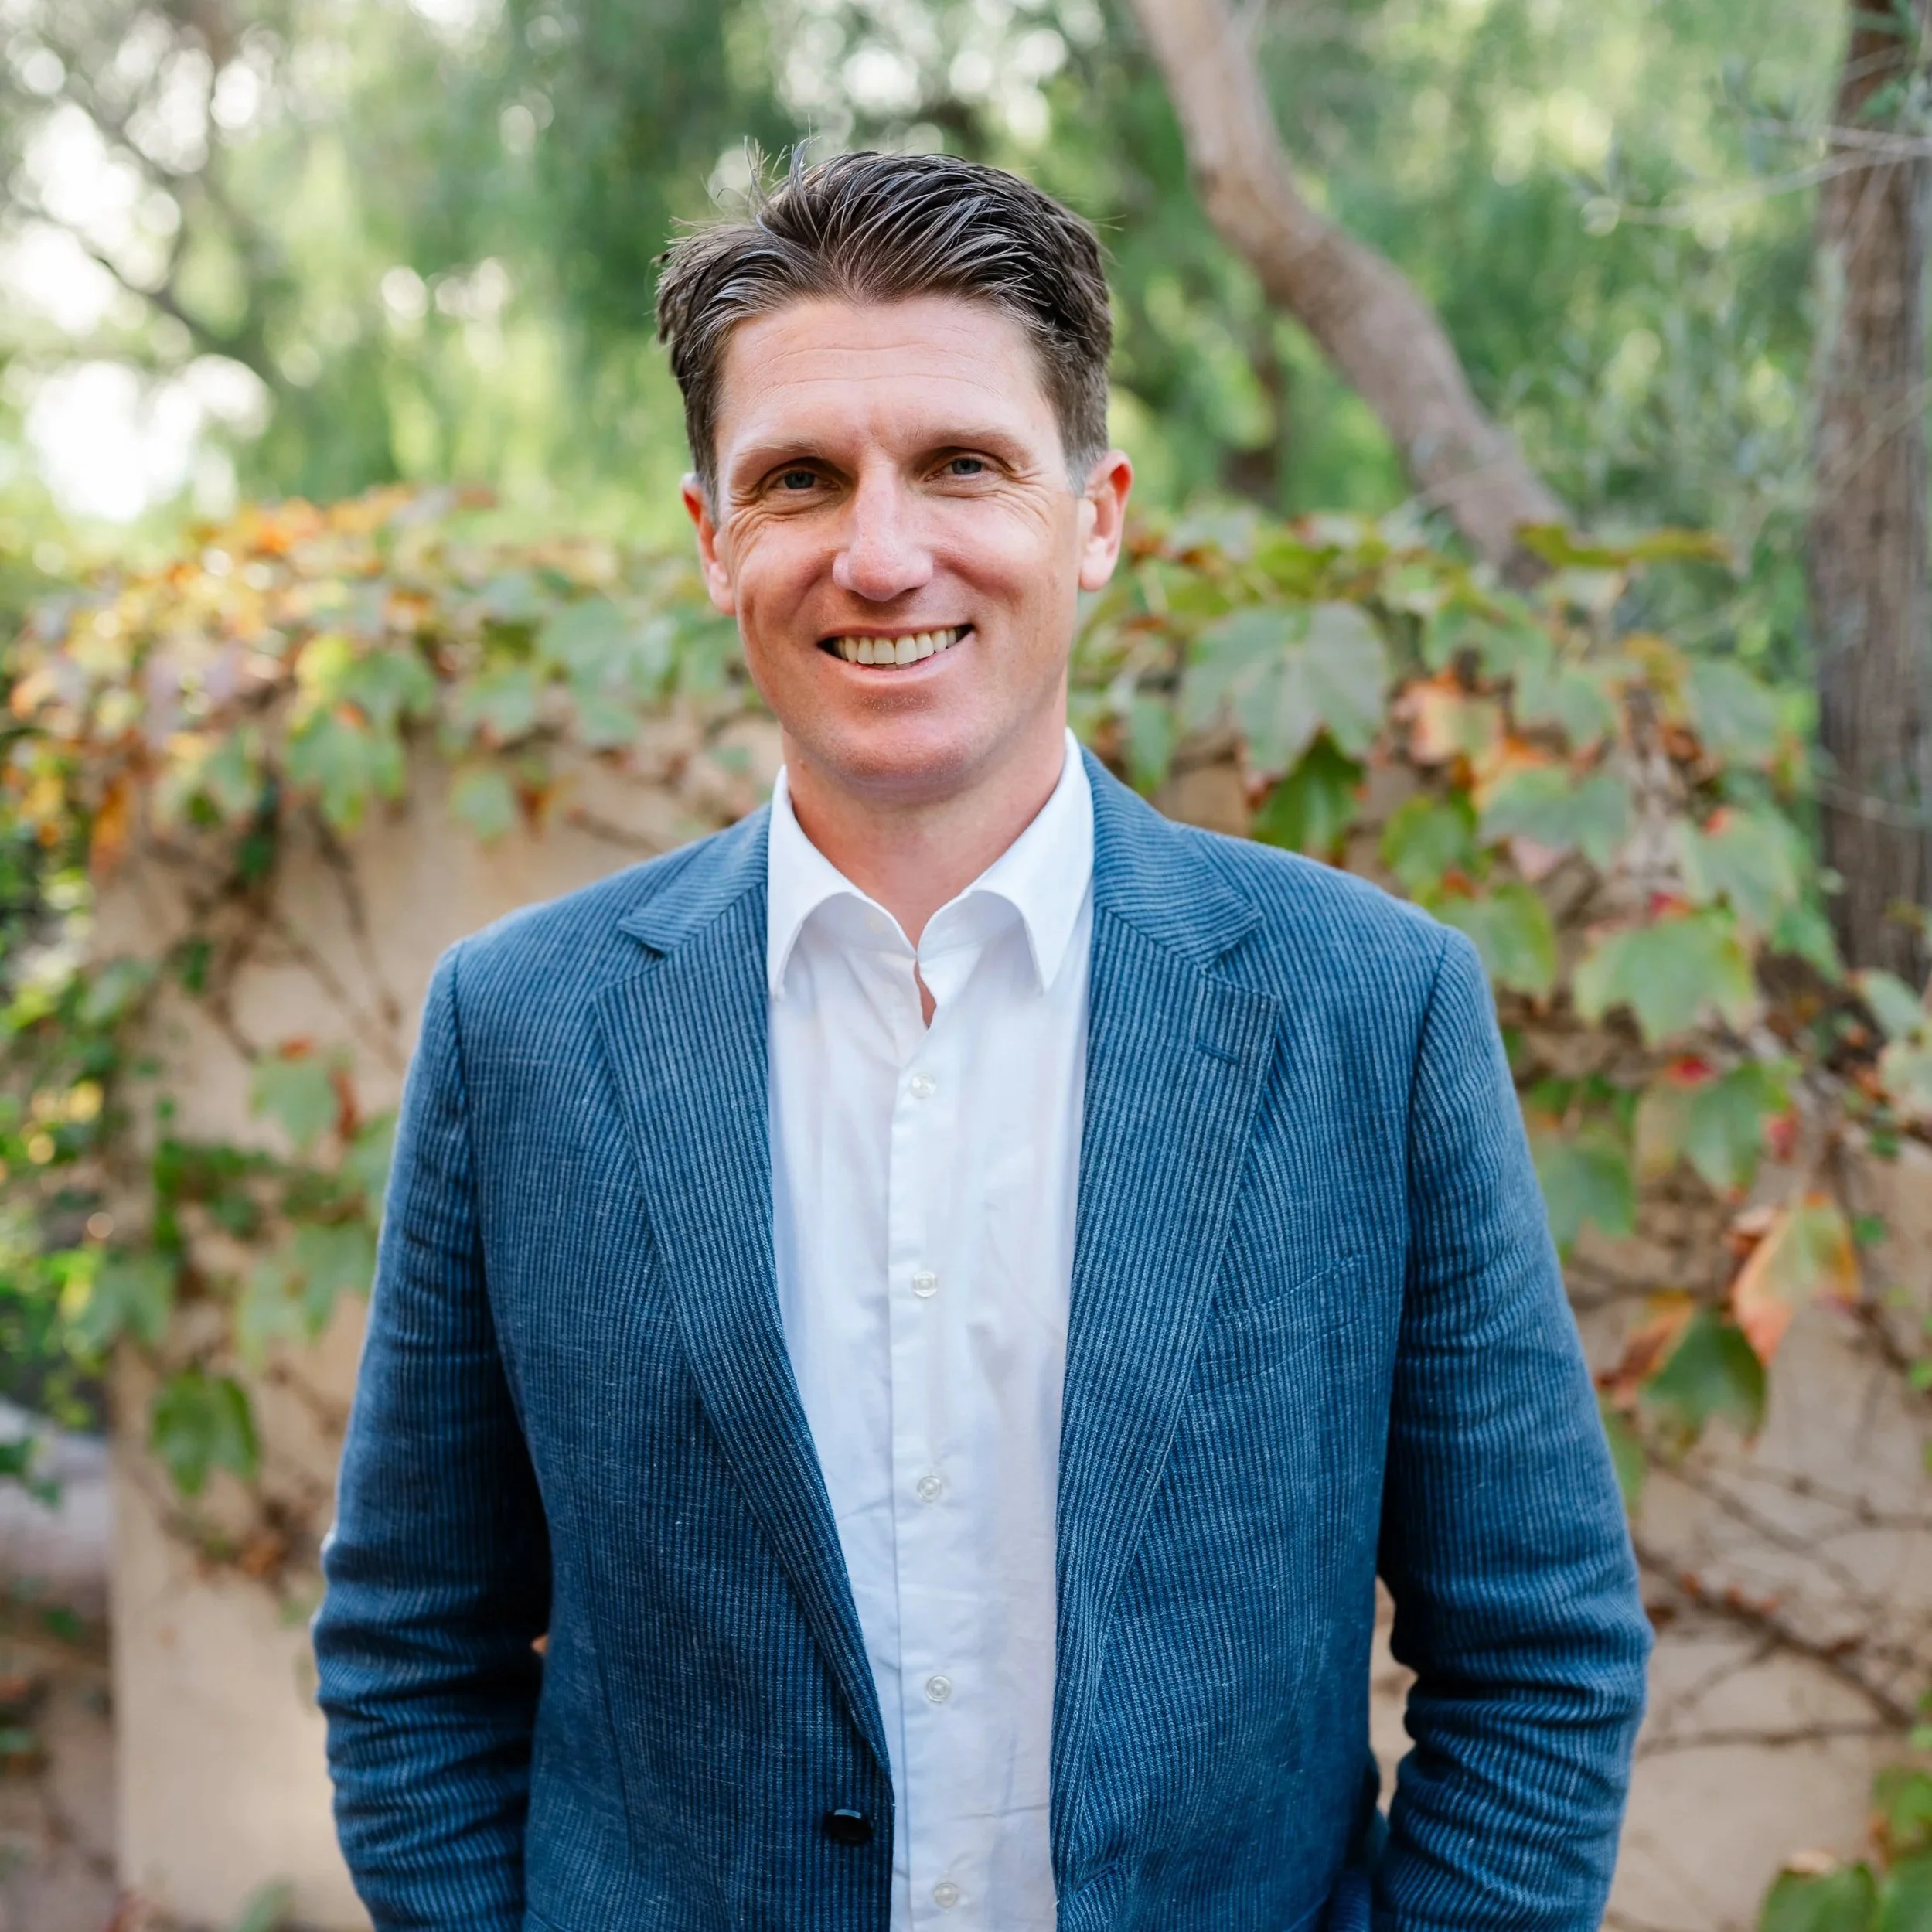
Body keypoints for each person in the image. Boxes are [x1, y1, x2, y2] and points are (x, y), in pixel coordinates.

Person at [313, 150, 1650, 1932]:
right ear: (716, 538)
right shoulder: (524, 1030)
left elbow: (1541, 1658)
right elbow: (412, 1643)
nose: (881, 552)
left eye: (961, 464)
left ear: (1094, 515)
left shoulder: (1367, 1012)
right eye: (800, 479)